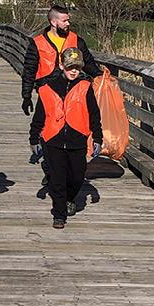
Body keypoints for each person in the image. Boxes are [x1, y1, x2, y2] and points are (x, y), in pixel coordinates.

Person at [21, 4, 103, 185]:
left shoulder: (77, 40)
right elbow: (29, 70)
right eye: (65, 20)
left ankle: (61, 170)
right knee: (47, 131)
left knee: (68, 130)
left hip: (72, 92)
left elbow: (88, 62)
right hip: (48, 93)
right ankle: (51, 168)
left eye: (68, 19)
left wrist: (100, 76)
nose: (68, 23)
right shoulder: (37, 43)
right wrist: (26, 96)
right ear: (53, 21)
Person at [29, 47, 103, 229]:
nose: (74, 71)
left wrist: (98, 138)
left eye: (77, 68)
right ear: (61, 65)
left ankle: (70, 198)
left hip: (77, 139)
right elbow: (39, 116)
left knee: (77, 176)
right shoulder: (47, 89)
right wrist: (33, 138)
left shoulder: (85, 87)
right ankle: (59, 214)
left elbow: (95, 115)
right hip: (52, 139)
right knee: (57, 178)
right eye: (70, 67)